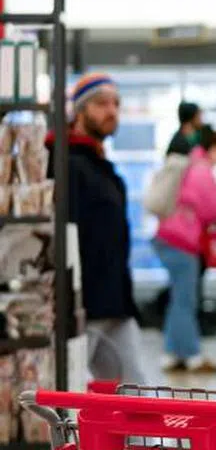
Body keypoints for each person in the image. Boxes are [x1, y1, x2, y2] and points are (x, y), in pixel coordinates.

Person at [46, 72, 151, 384]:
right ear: (79, 111)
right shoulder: (65, 162)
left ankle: (136, 435)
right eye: (102, 104)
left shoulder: (99, 164)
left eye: (116, 104)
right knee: (65, 389)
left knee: (135, 389)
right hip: (83, 306)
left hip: (115, 302)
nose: (112, 111)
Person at [153, 125, 216, 373]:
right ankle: (192, 355)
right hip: (182, 241)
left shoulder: (190, 165)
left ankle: (172, 353)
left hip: (169, 236)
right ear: (214, 148)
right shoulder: (202, 171)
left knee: (179, 298)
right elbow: (214, 210)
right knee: (185, 300)